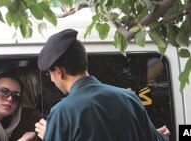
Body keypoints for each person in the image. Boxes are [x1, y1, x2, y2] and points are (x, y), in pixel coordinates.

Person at [35, 29, 170, 141]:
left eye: (49, 74)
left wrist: (51, 135)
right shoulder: (129, 98)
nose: (52, 80)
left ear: (59, 72)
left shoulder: (61, 113)